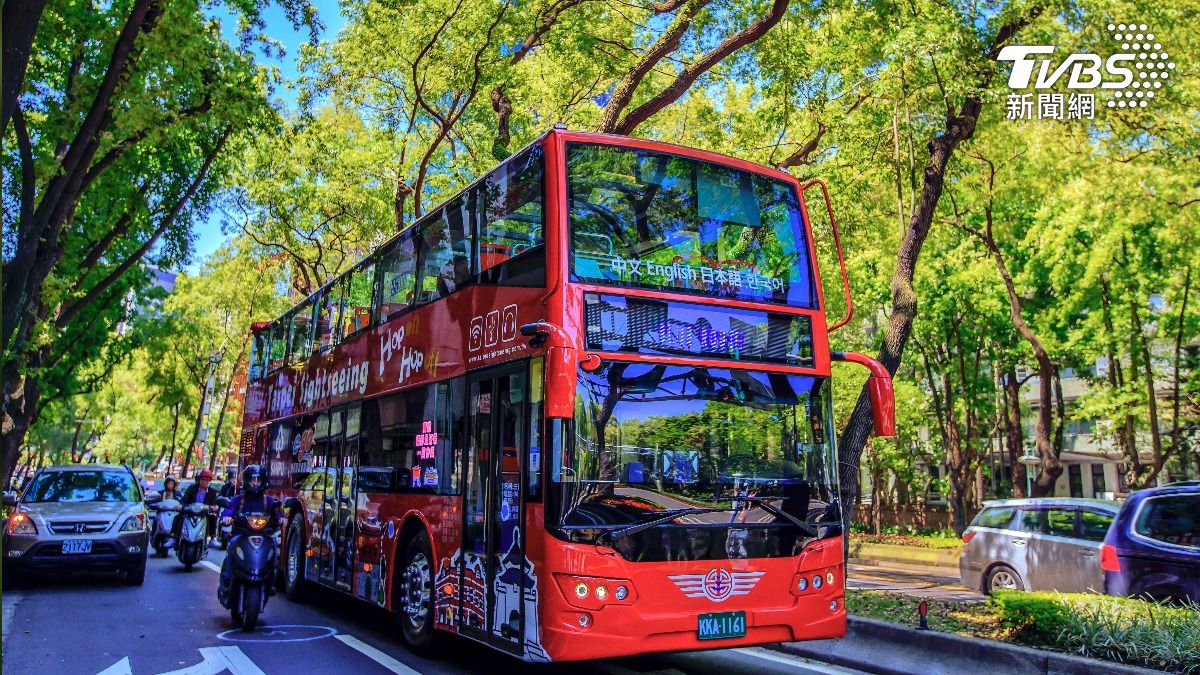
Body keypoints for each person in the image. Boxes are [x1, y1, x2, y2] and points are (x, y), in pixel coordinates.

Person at [218, 464, 284, 602]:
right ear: (247, 481)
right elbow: (229, 509)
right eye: (253, 480)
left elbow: (277, 511)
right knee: (231, 547)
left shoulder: (268, 500)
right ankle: (227, 579)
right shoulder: (239, 500)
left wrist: (281, 519)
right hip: (241, 535)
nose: (255, 483)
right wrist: (226, 517)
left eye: (258, 480)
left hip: (263, 536)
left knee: (273, 547)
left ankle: (271, 580)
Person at [175, 469, 219, 542]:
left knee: (213, 517)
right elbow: (185, 499)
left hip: (204, 513)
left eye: (206, 480)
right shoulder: (192, 488)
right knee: (179, 516)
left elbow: (214, 504)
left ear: (209, 481)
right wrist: (181, 505)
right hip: (190, 512)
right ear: (199, 480)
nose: (204, 482)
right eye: (202, 479)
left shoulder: (212, 492)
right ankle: (175, 537)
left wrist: (214, 507)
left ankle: (213, 538)